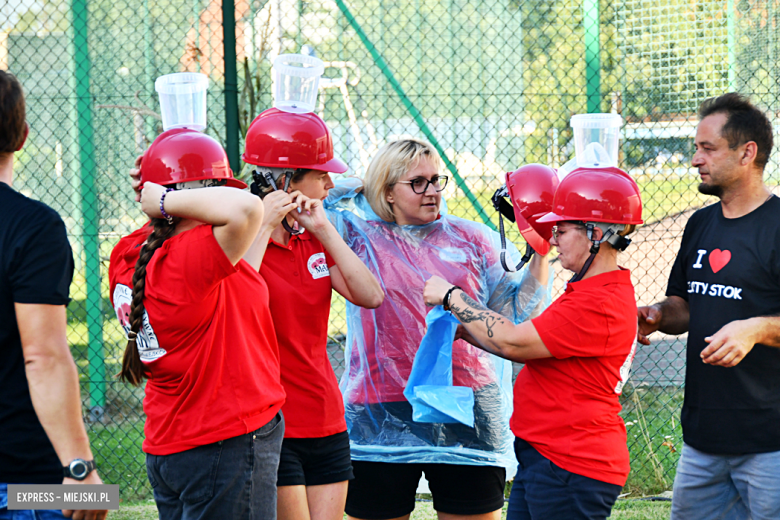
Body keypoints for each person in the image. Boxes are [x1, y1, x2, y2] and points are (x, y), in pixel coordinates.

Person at [325, 138, 552, 520]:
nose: (432, 191)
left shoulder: (473, 239)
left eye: (436, 180)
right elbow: (320, 200)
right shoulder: (356, 237)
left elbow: (517, 312)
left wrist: (540, 251)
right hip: (381, 403)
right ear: (387, 192)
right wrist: (363, 184)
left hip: (467, 401)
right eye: (417, 183)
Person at [424, 165, 643, 520]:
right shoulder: (590, 289)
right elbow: (531, 348)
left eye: (563, 229)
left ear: (596, 233)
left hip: (571, 464)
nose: (553, 239)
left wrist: (452, 298)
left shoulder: (596, 302)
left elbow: (513, 342)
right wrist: (471, 332)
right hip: (549, 457)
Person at [109, 127, 285, 520]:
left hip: (172, 445)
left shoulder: (130, 252)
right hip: (224, 443)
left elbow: (230, 291)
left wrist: (158, 190)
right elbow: (246, 209)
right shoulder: (190, 258)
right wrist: (168, 196)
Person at [637, 93, 780, 520]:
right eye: (695, 148)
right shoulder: (700, 224)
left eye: (707, 148)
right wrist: (658, 314)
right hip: (702, 440)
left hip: (770, 442)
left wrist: (754, 328)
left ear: (746, 153)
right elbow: (685, 304)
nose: (695, 159)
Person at [242, 108, 384, 520]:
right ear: (285, 181)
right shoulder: (241, 236)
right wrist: (265, 226)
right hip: (271, 423)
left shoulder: (313, 236)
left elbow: (370, 295)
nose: (330, 184)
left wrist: (323, 228)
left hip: (325, 416)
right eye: (320, 175)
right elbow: (236, 298)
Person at [0, 71, 108, 520]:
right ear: (23, 136)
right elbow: (42, 355)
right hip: (25, 485)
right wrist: (80, 471)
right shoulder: (34, 226)